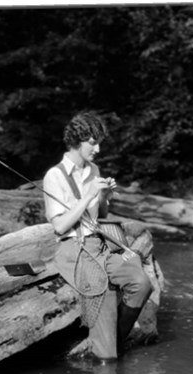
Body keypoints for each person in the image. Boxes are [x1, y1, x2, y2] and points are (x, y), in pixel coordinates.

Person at [43, 112, 152, 358]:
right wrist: (89, 194)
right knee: (103, 288)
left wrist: (104, 196)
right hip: (73, 248)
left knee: (142, 283)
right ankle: (106, 357)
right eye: (93, 142)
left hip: (99, 244)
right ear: (75, 141)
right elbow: (60, 227)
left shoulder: (94, 169)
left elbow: (100, 212)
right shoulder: (54, 176)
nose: (98, 148)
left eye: (99, 142)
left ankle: (115, 340)